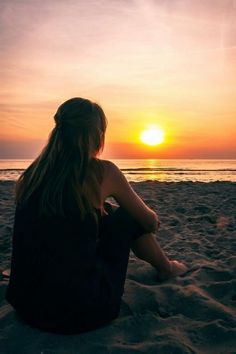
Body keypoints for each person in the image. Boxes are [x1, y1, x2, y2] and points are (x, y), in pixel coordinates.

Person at [5, 98, 187, 334]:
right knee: (126, 218)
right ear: (97, 134)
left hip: (27, 306)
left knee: (100, 213)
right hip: (83, 312)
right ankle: (167, 268)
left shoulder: (34, 174)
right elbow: (150, 222)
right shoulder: (102, 172)